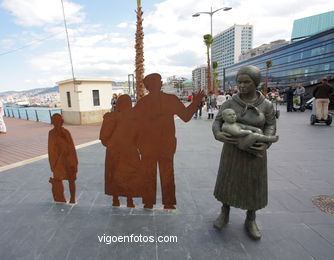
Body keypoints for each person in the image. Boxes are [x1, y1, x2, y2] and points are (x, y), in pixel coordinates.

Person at [212, 65, 277, 240]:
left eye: (246, 82)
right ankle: (224, 212)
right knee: (228, 181)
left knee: (254, 184)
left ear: (255, 83)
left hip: (255, 152)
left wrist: (266, 144)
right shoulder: (230, 102)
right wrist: (218, 134)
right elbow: (217, 123)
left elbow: (270, 126)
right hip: (232, 151)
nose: (241, 85)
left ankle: (251, 219)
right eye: (239, 82)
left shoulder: (266, 105)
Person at [134, 73, 204, 209]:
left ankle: (149, 202)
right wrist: (195, 102)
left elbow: (132, 123)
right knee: (166, 173)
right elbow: (186, 116)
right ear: (154, 85)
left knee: (150, 174)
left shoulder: (143, 103)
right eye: (159, 81)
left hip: (150, 146)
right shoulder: (169, 99)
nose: (161, 83)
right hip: (163, 145)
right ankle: (168, 203)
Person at [100, 94, 142, 208]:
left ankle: (116, 199)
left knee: (114, 174)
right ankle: (129, 200)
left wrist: (111, 145)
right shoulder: (134, 118)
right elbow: (139, 136)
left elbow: (103, 137)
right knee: (129, 174)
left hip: (115, 151)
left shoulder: (110, 117)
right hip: (128, 150)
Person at [48, 113, 78, 203]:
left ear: (61, 122)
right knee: (58, 180)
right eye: (55, 122)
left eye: (59, 122)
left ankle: (72, 198)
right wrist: (53, 164)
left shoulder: (66, 132)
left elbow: (71, 148)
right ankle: (60, 198)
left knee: (71, 180)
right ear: (53, 122)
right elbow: (51, 150)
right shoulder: (51, 133)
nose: (57, 124)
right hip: (58, 161)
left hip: (68, 160)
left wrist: (74, 162)